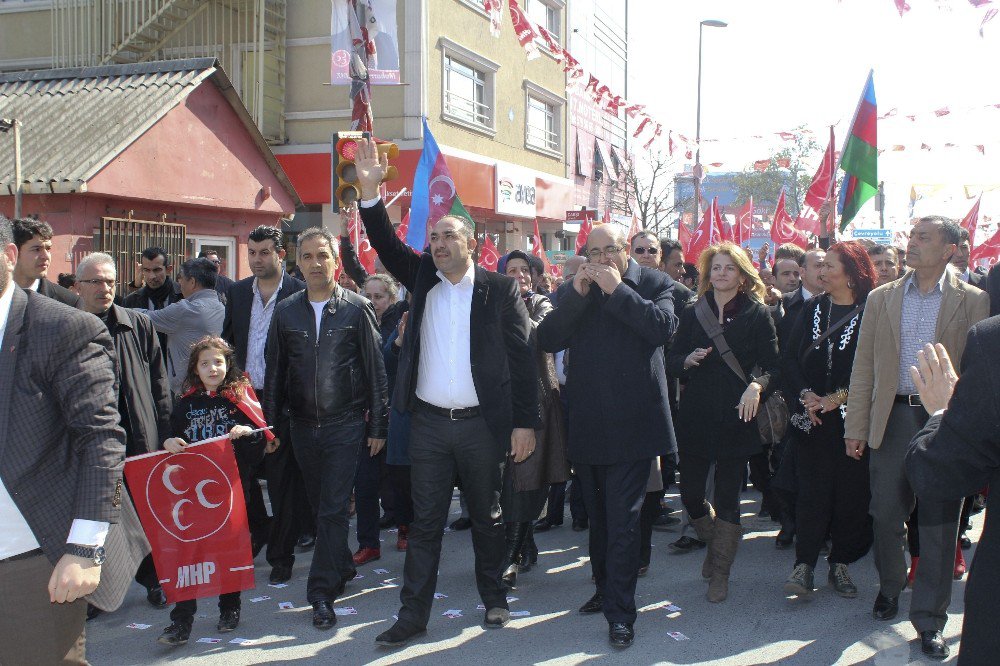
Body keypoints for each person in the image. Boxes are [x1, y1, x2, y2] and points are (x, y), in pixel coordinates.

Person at [353, 138, 538, 647]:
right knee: (426, 523)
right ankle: (412, 617)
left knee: (487, 516)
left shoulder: (500, 291)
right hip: (431, 425)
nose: (438, 244)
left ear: (472, 243)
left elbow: (523, 360)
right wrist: (370, 193)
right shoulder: (422, 278)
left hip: (483, 425)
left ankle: (494, 597)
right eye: (434, 236)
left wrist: (526, 423)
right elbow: (387, 245)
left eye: (448, 236)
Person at [845, 216, 989, 660]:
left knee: (939, 524)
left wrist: (968, 430)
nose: (912, 243)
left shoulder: (974, 300)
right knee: (885, 512)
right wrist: (856, 428)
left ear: (950, 248)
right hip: (891, 419)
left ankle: (930, 620)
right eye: (912, 235)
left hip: (945, 421)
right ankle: (890, 586)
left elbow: (976, 370)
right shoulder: (881, 297)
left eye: (924, 237)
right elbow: (864, 365)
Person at [0, 217, 141, 663]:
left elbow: (100, 439)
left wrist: (83, 547)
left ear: (7, 257)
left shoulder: (63, 329)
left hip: (33, 554)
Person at [538, 223, 676, 648]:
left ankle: (621, 613)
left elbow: (662, 329)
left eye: (608, 251)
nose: (600, 261)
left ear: (625, 251)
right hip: (589, 423)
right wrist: (576, 297)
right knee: (598, 520)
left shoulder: (655, 282)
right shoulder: (573, 290)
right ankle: (605, 588)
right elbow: (547, 337)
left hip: (635, 426)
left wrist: (619, 291)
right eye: (592, 252)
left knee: (623, 520)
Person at [264, 225, 388, 630]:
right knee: (321, 509)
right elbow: (276, 371)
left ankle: (320, 592)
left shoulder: (355, 308)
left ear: (336, 261)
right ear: (296, 262)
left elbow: (375, 372)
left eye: (323, 256)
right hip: (301, 425)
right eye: (308, 257)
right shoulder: (286, 311)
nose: (316, 264)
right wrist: (270, 426)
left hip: (346, 424)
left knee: (333, 507)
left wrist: (378, 425)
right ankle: (341, 567)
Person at [666, 242, 780, 604]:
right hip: (697, 415)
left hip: (738, 415)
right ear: (707, 274)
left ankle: (720, 573)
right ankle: (717, 546)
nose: (721, 273)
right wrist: (687, 360)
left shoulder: (758, 315)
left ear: (743, 275)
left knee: (729, 498)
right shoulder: (691, 311)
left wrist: (756, 386)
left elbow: (776, 368)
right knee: (691, 496)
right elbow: (670, 360)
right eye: (716, 267)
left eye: (729, 268)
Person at [156, 337, 273, 646]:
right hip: (193, 499)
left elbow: (257, 452)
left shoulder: (241, 402)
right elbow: (170, 436)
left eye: (218, 362)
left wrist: (247, 436)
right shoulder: (186, 403)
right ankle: (181, 622)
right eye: (205, 363)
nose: (212, 368)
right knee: (189, 559)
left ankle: (229, 608)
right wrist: (168, 441)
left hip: (232, 494)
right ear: (195, 368)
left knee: (228, 552)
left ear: (228, 365)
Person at [76, 253, 172, 613]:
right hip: (90, 443)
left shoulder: (136, 324)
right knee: (97, 517)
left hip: (137, 438)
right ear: (78, 287)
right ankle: (96, 594)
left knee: (146, 515)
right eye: (96, 282)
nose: (105, 289)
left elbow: (160, 383)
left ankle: (154, 581)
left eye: (110, 282)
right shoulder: (68, 326)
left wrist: (164, 432)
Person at [782, 242, 877, 599]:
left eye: (830, 266)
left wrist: (836, 399)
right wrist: (806, 395)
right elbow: (789, 360)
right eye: (820, 267)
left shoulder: (873, 311)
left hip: (854, 421)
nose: (821, 273)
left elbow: (875, 368)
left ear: (852, 274)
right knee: (811, 493)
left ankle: (841, 564)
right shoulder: (811, 308)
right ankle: (804, 564)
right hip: (813, 420)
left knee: (851, 495)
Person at [222, 225, 309, 584]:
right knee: (241, 478)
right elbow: (229, 341)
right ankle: (259, 530)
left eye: (264, 253)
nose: (257, 260)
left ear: (280, 254)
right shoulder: (239, 292)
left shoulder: (299, 292)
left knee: (281, 481)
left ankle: (281, 555)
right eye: (252, 253)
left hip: (283, 400)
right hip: (243, 398)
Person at [906, 339, 1000, 665]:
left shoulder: (989, 340)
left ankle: (931, 617)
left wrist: (945, 412)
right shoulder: (882, 300)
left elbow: (937, 470)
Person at [499, 251, 568, 590]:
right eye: (510, 271)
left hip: (538, 403)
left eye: (524, 271)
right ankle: (523, 542)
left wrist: (509, 307)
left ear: (535, 277)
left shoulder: (541, 304)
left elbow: (536, 336)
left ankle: (509, 558)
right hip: (499, 406)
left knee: (526, 479)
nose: (519, 275)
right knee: (509, 482)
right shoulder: (488, 304)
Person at [353, 272, 410, 565]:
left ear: (391, 298)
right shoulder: (357, 319)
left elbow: (392, 360)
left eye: (380, 297)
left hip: (395, 409)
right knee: (364, 481)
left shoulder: (401, 320)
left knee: (398, 475)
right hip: (364, 410)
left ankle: (405, 528)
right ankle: (368, 543)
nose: (374, 302)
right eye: (370, 296)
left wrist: (399, 340)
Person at [131, 257, 226, 395]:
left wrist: (115, 309)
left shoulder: (186, 309)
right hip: (215, 386)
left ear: (192, 282)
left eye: (181, 278)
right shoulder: (222, 307)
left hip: (187, 391)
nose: (179, 283)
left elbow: (144, 318)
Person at [9, 217, 82, 308]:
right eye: (37, 249)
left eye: (48, 249)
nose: (46, 256)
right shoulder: (3, 295)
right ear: (13, 253)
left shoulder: (68, 302)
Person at [124, 247, 184, 355]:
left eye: (157, 270)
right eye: (147, 270)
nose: (152, 276)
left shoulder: (184, 297)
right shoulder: (131, 302)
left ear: (169, 270)